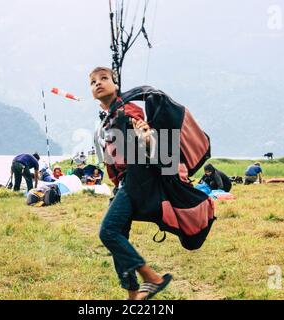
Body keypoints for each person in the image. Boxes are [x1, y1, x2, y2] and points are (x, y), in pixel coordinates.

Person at [90, 66, 172, 300]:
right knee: (118, 236)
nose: (98, 83)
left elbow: (146, 135)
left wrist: (145, 136)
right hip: (122, 183)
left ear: (116, 85)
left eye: (104, 78)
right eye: (93, 81)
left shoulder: (128, 109)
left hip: (136, 178)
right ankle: (132, 293)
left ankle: (152, 278)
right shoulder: (106, 119)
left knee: (108, 232)